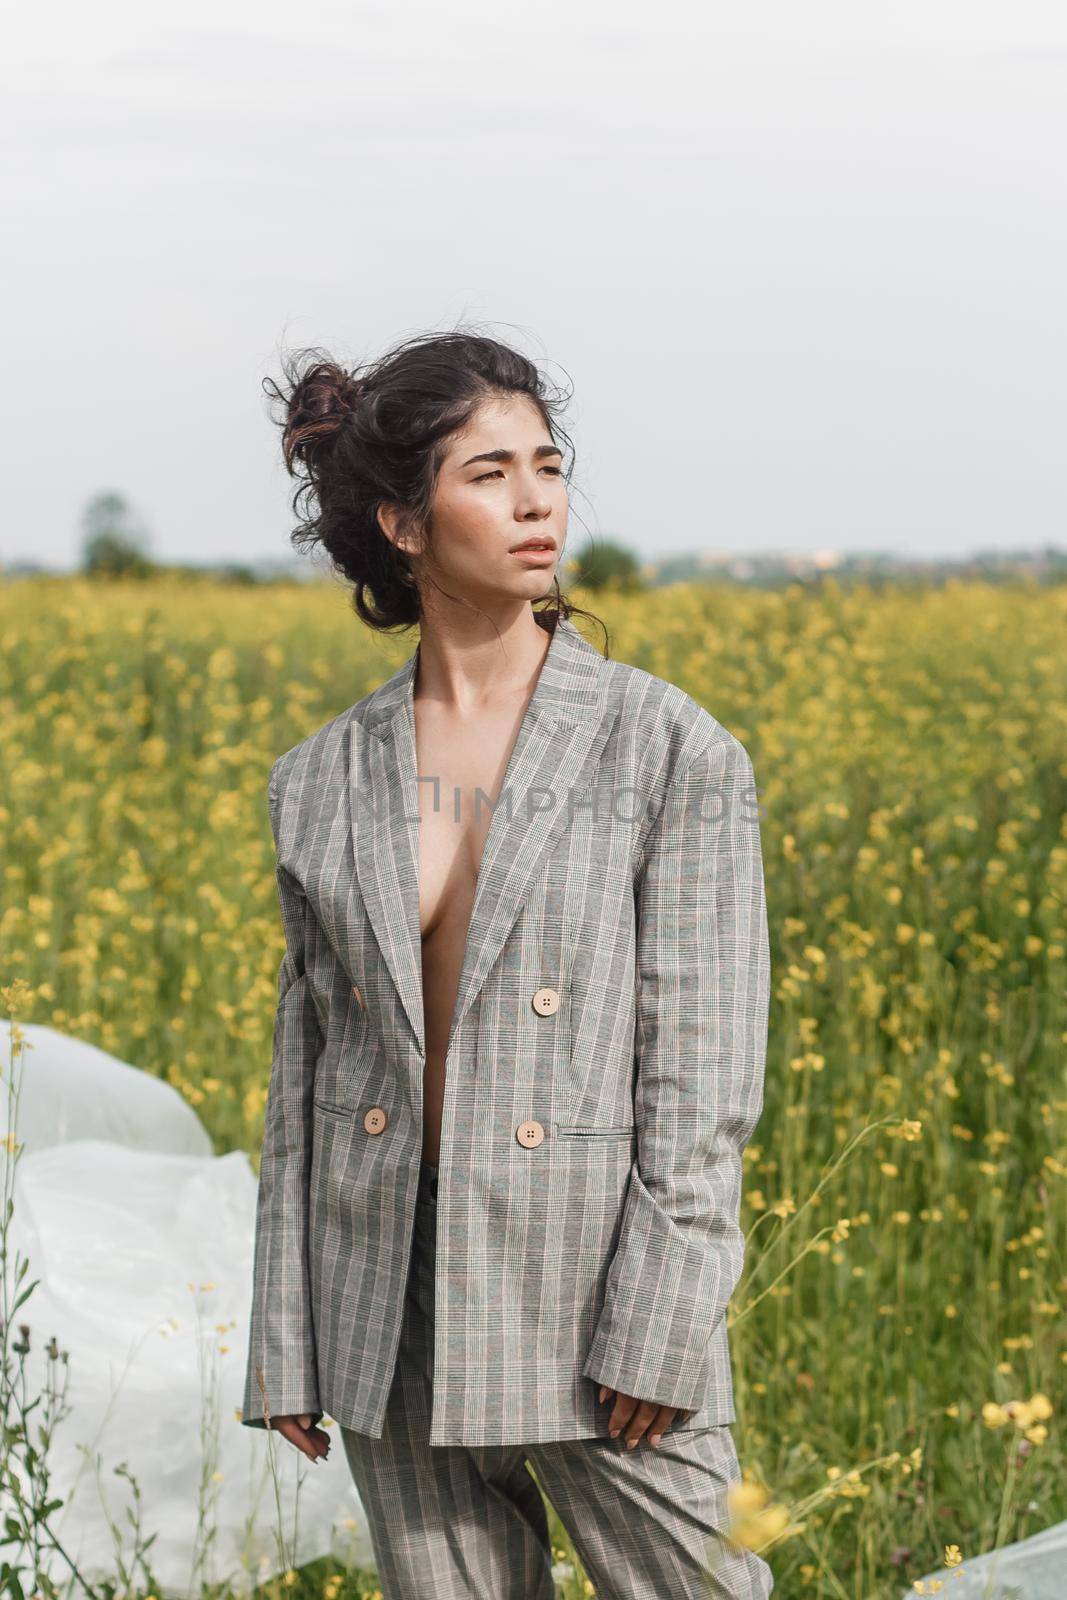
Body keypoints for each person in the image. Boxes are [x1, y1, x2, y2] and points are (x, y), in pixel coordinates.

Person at [241, 328, 774, 1599]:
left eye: (547, 464)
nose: (537, 500)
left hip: (587, 1290)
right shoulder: (318, 776)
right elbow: (306, 1070)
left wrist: (659, 1319)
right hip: (386, 1289)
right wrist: (288, 1337)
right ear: (403, 523)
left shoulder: (667, 749)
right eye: (488, 474)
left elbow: (703, 1079)